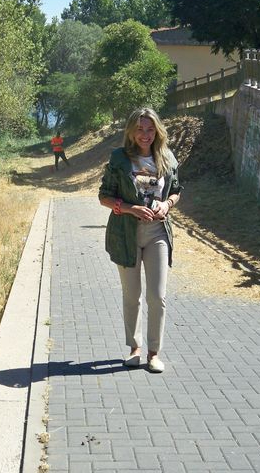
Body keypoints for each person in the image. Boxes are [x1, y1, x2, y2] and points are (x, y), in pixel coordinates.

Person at [98, 107, 182, 373]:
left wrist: (167, 204)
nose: (145, 135)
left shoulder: (167, 158)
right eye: (140, 129)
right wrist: (130, 208)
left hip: (157, 232)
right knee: (131, 295)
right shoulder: (119, 159)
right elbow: (104, 196)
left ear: (157, 131)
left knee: (157, 296)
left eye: (150, 129)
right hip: (126, 233)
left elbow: (177, 190)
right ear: (131, 132)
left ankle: (154, 354)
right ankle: (135, 348)